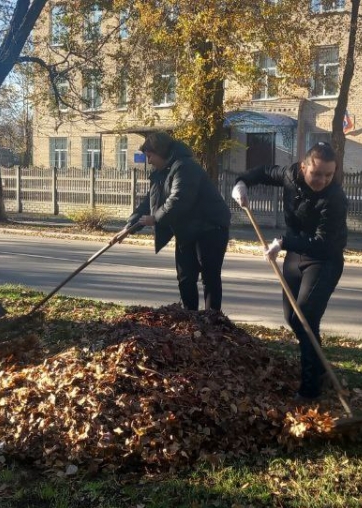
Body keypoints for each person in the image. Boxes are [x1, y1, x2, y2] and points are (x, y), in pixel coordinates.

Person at [231, 142, 347, 401]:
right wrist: (241, 183)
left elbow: (323, 243)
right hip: (295, 255)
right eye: (316, 174)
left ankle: (309, 389)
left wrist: (283, 242)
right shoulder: (289, 175)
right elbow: (262, 172)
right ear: (304, 167)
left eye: (329, 175)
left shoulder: (335, 199)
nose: (322, 180)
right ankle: (318, 369)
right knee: (293, 317)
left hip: (324, 260)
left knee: (306, 317)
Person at [115, 131, 231, 311]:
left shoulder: (185, 167)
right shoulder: (160, 173)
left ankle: (212, 321)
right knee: (185, 277)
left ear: (160, 152)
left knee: (209, 277)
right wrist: (128, 227)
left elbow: (178, 200)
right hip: (187, 230)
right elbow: (149, 202)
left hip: (211, 228)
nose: (149, 161)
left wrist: (155, 218)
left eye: (150, 156)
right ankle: (190, 317)